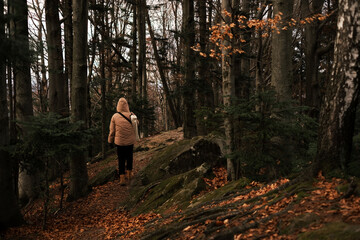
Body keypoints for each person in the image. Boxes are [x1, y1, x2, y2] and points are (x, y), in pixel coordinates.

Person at [108, 97, 136, 185]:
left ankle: (122, 178)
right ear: (127, 105)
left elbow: (112, 131)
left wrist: (110, 140)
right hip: (130, 141)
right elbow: (137, 124)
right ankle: (129, 174)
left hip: (119, 142)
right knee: (129, 157)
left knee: (121, 159)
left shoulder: (115, 116)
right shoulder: (131, 115)